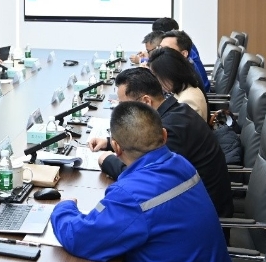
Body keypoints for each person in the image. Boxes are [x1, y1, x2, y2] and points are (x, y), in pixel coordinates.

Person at [51, 101, 231, 262]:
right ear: (164, 135)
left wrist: (64, 207)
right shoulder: (181, 163)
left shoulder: (130, 196)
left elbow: (80, 239)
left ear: (116, 147)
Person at [89, 67, 233, 217]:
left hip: (202, 215)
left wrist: (108, 161)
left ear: (146, 101)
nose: (121, 111)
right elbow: (143, 148)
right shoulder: (177, 111)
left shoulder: (170, 130)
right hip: (191, 202)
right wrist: (110, 143)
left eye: (124, 106)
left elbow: (145, 179)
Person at [148, 47, 208, 119]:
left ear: (170, 73)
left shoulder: (187, 101)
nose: (157, 80)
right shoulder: (185, 88)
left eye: (157, 76)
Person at [152, 18, 210, 92]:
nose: (161, 52)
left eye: (167, 49)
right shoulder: (182, 58)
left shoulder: (182, 71)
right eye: (160, 47)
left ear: (184, 54)